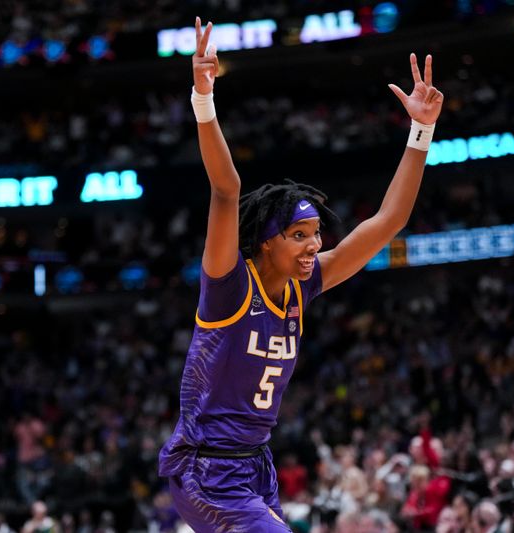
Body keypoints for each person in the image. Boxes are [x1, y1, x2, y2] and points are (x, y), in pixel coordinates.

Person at [157, 16, 444, 532]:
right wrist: (204, 98)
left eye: (316, 233)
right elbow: (226, 191)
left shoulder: (303, 285)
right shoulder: (228, 286)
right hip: (204, 467)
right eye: (299, 235)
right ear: (267, 241)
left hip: (255, 465)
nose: (315, 245)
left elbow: (388, 221)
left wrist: (421, 131)